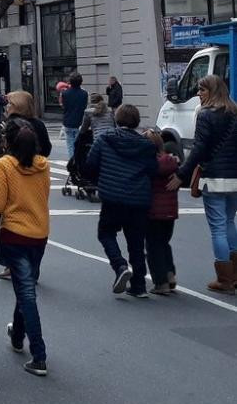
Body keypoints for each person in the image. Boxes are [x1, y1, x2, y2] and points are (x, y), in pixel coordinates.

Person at [0, 125, 50, 377]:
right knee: (25, 286)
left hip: (15, 233)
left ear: (9, 143)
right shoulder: (43, 164)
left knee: (26, 293)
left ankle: (39, 354)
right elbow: (43, 196)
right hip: (39, 233)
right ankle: (18, 335)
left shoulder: (5, 165)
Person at [171, 74, 237, 293]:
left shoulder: (205, 114)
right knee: (229, 222)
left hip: (214, 176)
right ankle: (235, 274)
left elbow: (199, 149)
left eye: (202, 90)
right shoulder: (234, 111)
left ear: (212, 92)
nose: (198, 94)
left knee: (218, 226)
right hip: (235, 176)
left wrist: (182, 174)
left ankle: (224, 278)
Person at [84, 103, 158, 297]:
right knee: (136, 242)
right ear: (136, 122)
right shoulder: (147, 146)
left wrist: (100, 179)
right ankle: (139, 285)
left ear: (117, 119)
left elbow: (91, 164)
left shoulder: (105, 140)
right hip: (139, 198)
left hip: (113, 196)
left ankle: (120, 265)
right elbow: (153, 171)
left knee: (106, 233)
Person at [146, 129, 180, 296]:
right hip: (170, 211)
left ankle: (161, 282)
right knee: (164, 243)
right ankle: (170, 273)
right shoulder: (172, 162)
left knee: (153, 246)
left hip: (153, 211)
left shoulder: (149, 165)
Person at [0, 92, 53, 159]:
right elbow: (46, 149)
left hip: (11, 165)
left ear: (17, 106)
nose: (7, 106)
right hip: (35, 165)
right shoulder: (38, 124)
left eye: (10, 103)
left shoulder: (7, 124)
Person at [61, 72, 88, 158]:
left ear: (70, 82)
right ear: (81, 82)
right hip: (80, 122)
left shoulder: (65, 93)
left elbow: (64, 107)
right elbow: (85, 107)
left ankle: (72, 162)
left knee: (70, 145)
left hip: (68, 121)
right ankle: (78, 162)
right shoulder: (84, 94)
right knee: (79, 145)